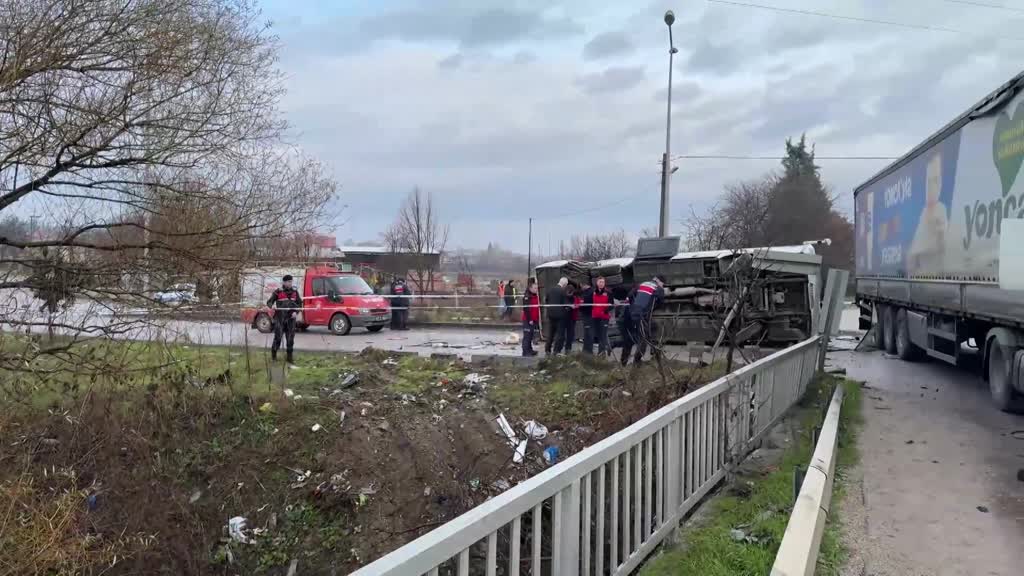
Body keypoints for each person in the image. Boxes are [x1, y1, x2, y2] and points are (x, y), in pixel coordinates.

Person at [620, 275, 666, 366]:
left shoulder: (641, 284)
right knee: (643, 339)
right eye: (663, 284)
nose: (662, 286)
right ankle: (637, 363)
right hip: (640, 315)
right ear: (660, 282)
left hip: (629, 314)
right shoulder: (659, 289)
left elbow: (630, 295)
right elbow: (660, 302)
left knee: (629, 338)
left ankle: (623, 363)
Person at [267, 274, 302, 364]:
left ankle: (289, 359)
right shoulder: (278, 292)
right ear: (284, 282)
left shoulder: (295, 292)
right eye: (289, 281)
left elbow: (300, 304)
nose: (290, 283)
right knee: (277, 338)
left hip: (291, 320)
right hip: (280, 319)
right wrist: (272, 306)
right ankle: (274, 358)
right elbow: (269, 302)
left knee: (290, 339)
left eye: (291, 281)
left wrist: (296, 312)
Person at [583, 276, 612, 355]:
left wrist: (606, 310)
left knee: (603, 336)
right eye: (600, 282)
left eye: (603, 282)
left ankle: (601, 353)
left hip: (604, 317)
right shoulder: (592, 292)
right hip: (594, 317)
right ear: (597, 283)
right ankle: (588, 353)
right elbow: (586, 303)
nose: (601, 284)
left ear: (604, 283)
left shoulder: (608, 292)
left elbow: (611, 304)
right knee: (593, 335)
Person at [544, 277, 571, 355]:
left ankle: (547, 349)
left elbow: (546, 300)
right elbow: (565, 303)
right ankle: (556, 350)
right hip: (560, 316)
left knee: (551, 333)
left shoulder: (550, 290)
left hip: (550, 314)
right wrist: (569, 308)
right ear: (565, 284)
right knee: (560, 334)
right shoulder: (562, 291)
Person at [521, 278, 540, 356]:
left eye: (537, 288)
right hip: (528, 319)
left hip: (534, 319)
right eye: (535, 288)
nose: (536, 290)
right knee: (527, 336)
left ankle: (530, 349)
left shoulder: (535, 296)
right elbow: (526, 309)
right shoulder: (527, 297)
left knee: (531, 335)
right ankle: (525, 351)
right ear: (530, 288)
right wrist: (530, 319)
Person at [564, 283, 579, 353]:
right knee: (567, 333)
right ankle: (566, 347)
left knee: (570, 333)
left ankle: (568, 348)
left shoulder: (574, 298)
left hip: (572, 317)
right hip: (566, 317)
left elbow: (577, 304)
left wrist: (575, 307)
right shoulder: (564, 297)